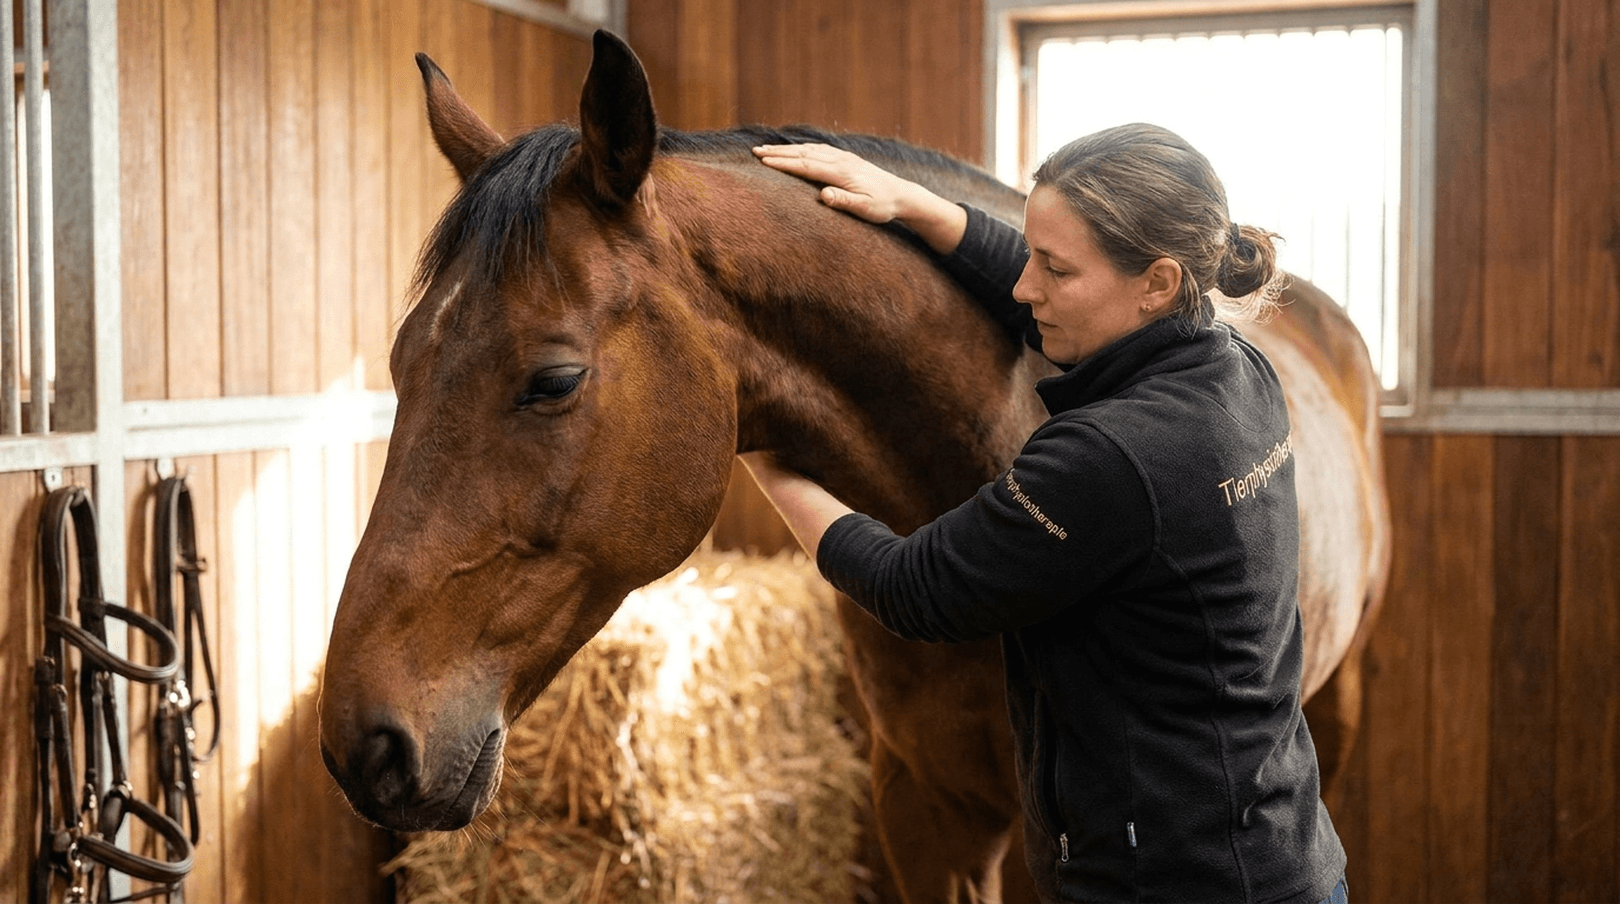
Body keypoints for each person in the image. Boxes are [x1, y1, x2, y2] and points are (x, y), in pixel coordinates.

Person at [742, 124, 1349, 904]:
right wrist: (920, 208)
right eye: (1033, 255)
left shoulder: (1110, 456)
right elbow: (1035, 291)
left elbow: (914, 586)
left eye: (1055, 267)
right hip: (1277, 856)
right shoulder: (1235, 366)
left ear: (1156, 284)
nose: (1027, 287)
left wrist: (769, 458)